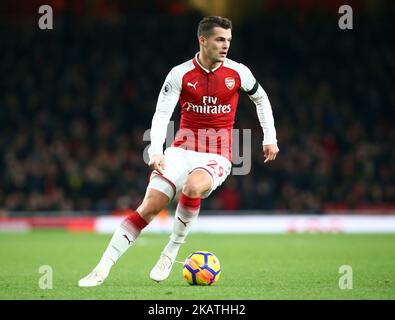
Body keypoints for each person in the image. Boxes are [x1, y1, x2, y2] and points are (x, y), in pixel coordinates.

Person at [78, 16, 279, 287]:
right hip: (180, 151)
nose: (226, 45)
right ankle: (101, 268)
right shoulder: (180, 74)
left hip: (217, 154)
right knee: (149, 208)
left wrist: (270, 138)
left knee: (193, 186)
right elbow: (162, 114)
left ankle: (171, 250)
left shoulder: (238, 72)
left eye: (229, 40)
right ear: (203, 40)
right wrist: (157, 151)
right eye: (220, 39)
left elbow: (261, 98)